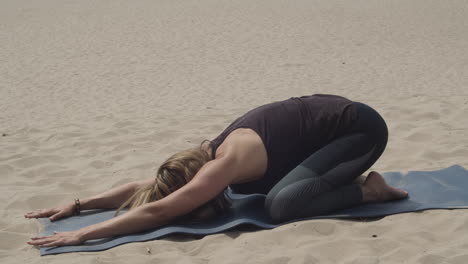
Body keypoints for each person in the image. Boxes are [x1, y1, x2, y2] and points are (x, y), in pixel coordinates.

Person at [26, 94, 408, 247]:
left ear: (199, 179)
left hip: (364, 131)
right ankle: (337, 176)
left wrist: (83, 235)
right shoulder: (205, 153)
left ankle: (371, 190)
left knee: (281, 205)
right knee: (265, 191)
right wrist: (78, 205)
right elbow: (149, 187)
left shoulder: (223, 163)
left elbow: (160, 210)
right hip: (332, 132)